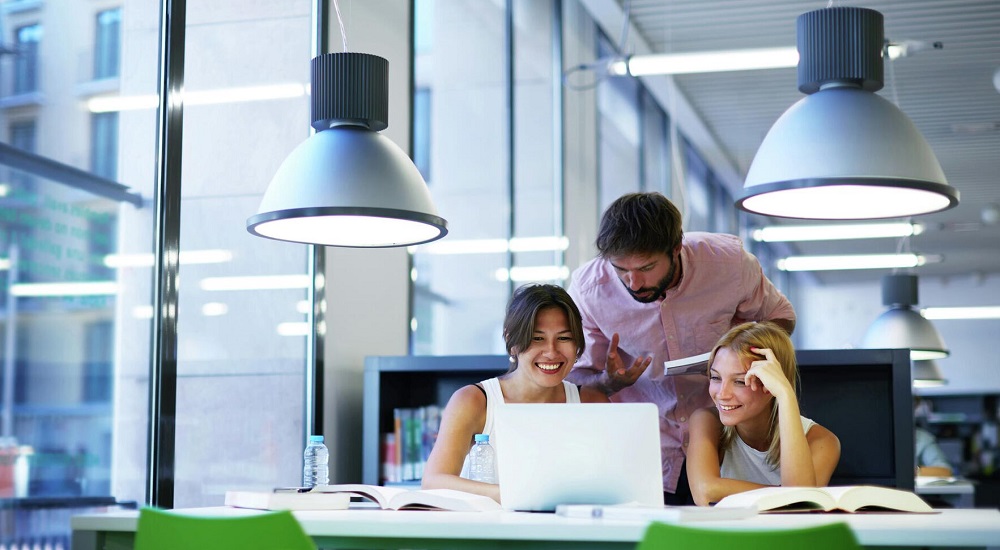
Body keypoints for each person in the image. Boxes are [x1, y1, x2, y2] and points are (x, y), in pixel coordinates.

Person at [566, 191, 796, 504]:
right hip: (644, 451)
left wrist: (740, 356)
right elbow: (572, 378)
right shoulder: (588, 289)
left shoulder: (729, 263)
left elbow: (780, 320)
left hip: (730, 441)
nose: (633, 282)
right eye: (621, 269)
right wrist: (609, 382)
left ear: (676, 249)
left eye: (646, 268)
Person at [421, 283, 609, 502]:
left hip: (568, 532)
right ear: (512, 343)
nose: (551, 352)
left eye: (564, 338)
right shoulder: (474, 400)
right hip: (491, 531)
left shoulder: (593, 403)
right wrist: (512, 494)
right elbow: (434, 482)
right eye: (537, 338)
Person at [686, 322, 841, 506]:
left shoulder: (822, 441)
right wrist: (785, 494)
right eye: (716, 377)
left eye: (740, 381)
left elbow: (799, 505)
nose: (722, 394)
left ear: (772, 383)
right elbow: (705, 492)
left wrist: (785, 395)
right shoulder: (706, 421)